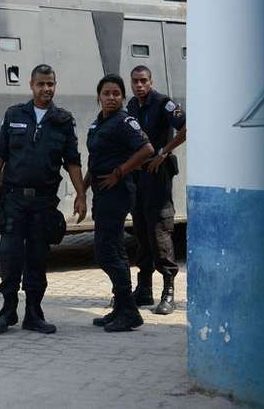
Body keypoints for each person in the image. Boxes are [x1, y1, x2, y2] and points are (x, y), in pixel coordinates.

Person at [0, 64, 87, 334]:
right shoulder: (14, 114)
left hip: (43, 202)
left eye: (50, 84)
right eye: (41, 84)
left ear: (55, 86)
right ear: (31, 85)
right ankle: (7, 311)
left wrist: (81, 194)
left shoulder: (63, 120)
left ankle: (33, 313)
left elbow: (72, 162)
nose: (46, 89)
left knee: (38, 258)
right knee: (9, 255)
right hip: (14, 199)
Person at [85, 74, 154, 332]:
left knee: (106, 251)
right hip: (101, 193)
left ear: (123, 97)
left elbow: (147, 149)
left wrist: (120, 172)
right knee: (112, 249)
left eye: (116, 93)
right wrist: (81, 190)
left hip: (118, 192)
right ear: (99, 96)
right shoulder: (98, 123)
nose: (111, 97)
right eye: (107, 93)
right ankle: (121, 307)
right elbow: (95, 161)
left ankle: (129, 310)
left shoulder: (125, 121)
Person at [127, 65, 187, 315]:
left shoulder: (164, 103)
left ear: (151, 82)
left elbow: (187, 127)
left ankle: (168, 291)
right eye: (135, 81)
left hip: (158, 176)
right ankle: (144, 289)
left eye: (143, 81)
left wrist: (164, 153)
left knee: (160, 230)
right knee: (140, 230)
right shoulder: (131, 105)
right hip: (138, 177)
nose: (139, 85)